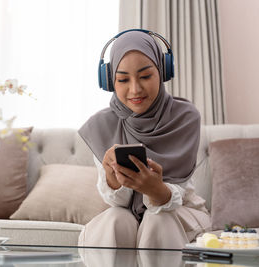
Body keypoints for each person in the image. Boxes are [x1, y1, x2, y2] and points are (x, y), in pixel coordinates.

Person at [78, 30, 211, 249]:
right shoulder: (101, 126)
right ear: (110, 81)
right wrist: (113, 180)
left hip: (180, 209)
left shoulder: (185, 117)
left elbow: (180, 190)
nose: (135, 89)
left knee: (157, 220)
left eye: (146, 76)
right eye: (122, 79)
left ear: (163, 71)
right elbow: (118, 203)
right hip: (126, 215)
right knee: (115, 220)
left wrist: (157, 190)